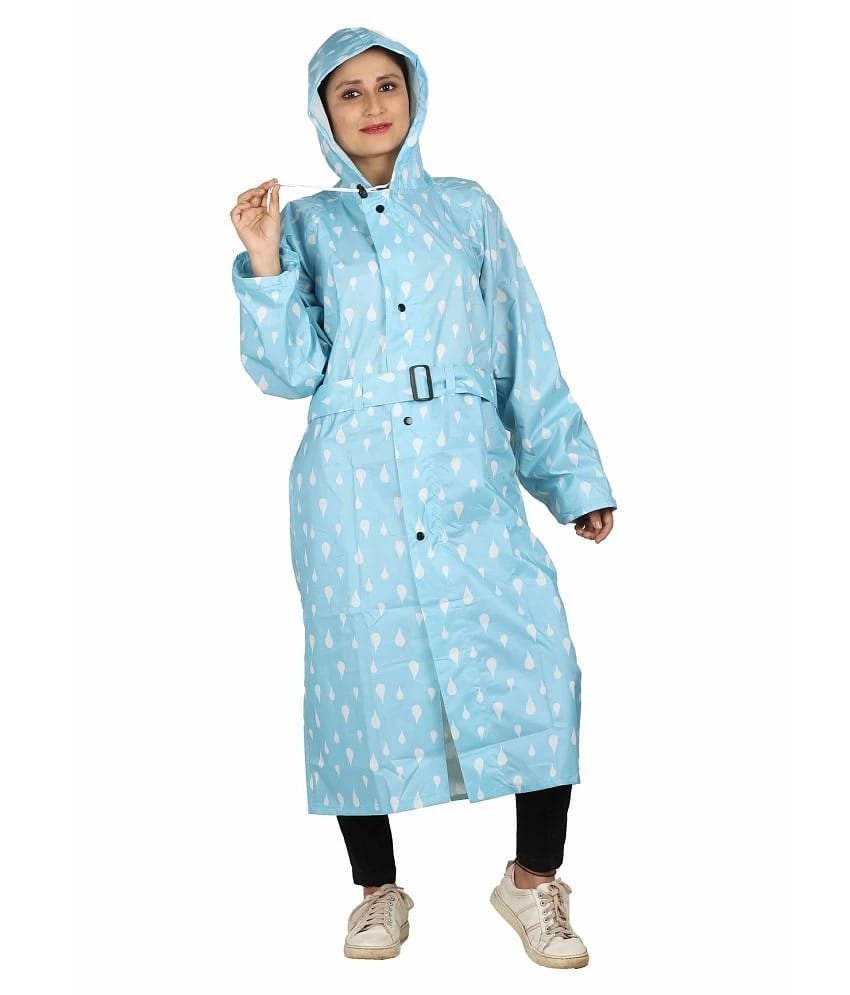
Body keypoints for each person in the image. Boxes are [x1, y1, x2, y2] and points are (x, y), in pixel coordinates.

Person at [229, 26, 617, 970]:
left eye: (387, 85)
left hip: (466, 466)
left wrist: (570, 478)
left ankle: (533, 881)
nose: (372, 104)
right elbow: (288, 373)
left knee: (536, 658)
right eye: (349, 91)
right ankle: (377, 892)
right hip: (351, 485)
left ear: (415, 95)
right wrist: (265, 258)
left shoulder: (467, 210)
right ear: (322, 113)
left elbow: (522, 346)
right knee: (359, 675)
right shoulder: (307, 224)